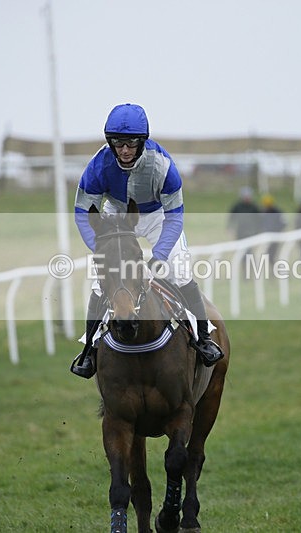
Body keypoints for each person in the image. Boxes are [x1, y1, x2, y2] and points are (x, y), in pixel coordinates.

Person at [70, 103, 223, 379]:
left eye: (131, 144)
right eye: (118, 143)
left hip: (158, 216)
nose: (125, 150)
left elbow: (175, 217)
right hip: (117, 215)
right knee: (100, 281)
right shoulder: (98, 166)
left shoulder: (163, 166)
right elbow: (82, 213)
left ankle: (203, 339)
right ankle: (89, 351)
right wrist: (103, 250)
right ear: (110, 142)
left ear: (142, 142)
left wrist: (160, 255)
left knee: (180, 273)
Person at [259, 193, 286, 263]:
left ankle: (275, 269)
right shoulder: (262, 213)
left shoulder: (277, 211)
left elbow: (284, 223)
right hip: (267, 237)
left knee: (273, 255)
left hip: (276, 236)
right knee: (268, 255)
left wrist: (276, 230)